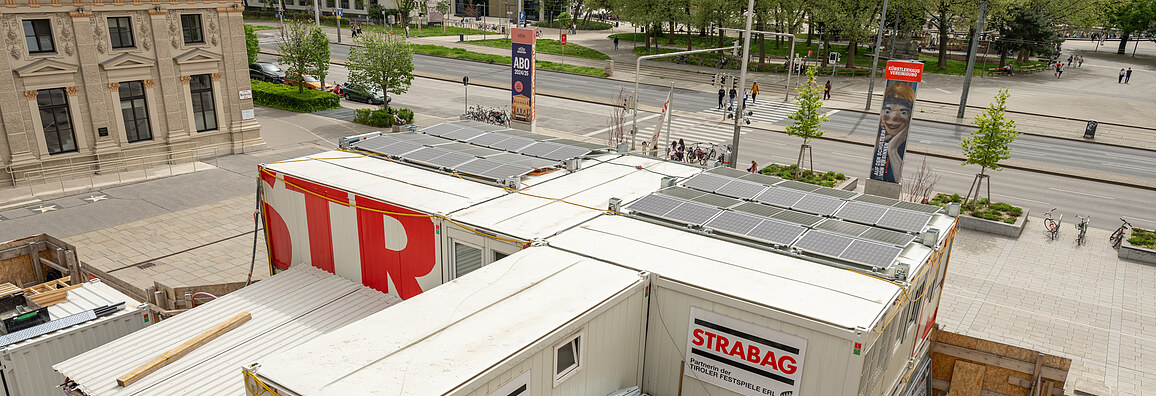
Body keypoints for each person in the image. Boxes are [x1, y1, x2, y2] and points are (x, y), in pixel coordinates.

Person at [872, 81, 915, 183]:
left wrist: (892, 149)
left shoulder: (901, 146)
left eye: (903, 112)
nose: (894, 117)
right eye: (887, 111)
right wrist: (878, 143)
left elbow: (897, 181)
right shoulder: (880, 140)